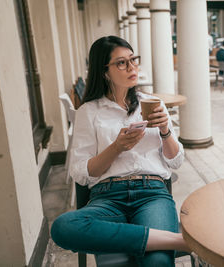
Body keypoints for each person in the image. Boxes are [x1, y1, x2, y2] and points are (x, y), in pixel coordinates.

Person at [50, 36, 190, 266]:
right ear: (104, 71)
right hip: (107, 197)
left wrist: (165, 129)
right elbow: (81, 173)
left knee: (157, 262)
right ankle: (178, 241)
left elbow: (176, 162)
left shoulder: (152, 103)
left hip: (152, 193)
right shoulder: (88, 111)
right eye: (122, 63)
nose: (132, 67)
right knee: (63, 227)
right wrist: (116, 148)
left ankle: (152, 242)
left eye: (133, 59)